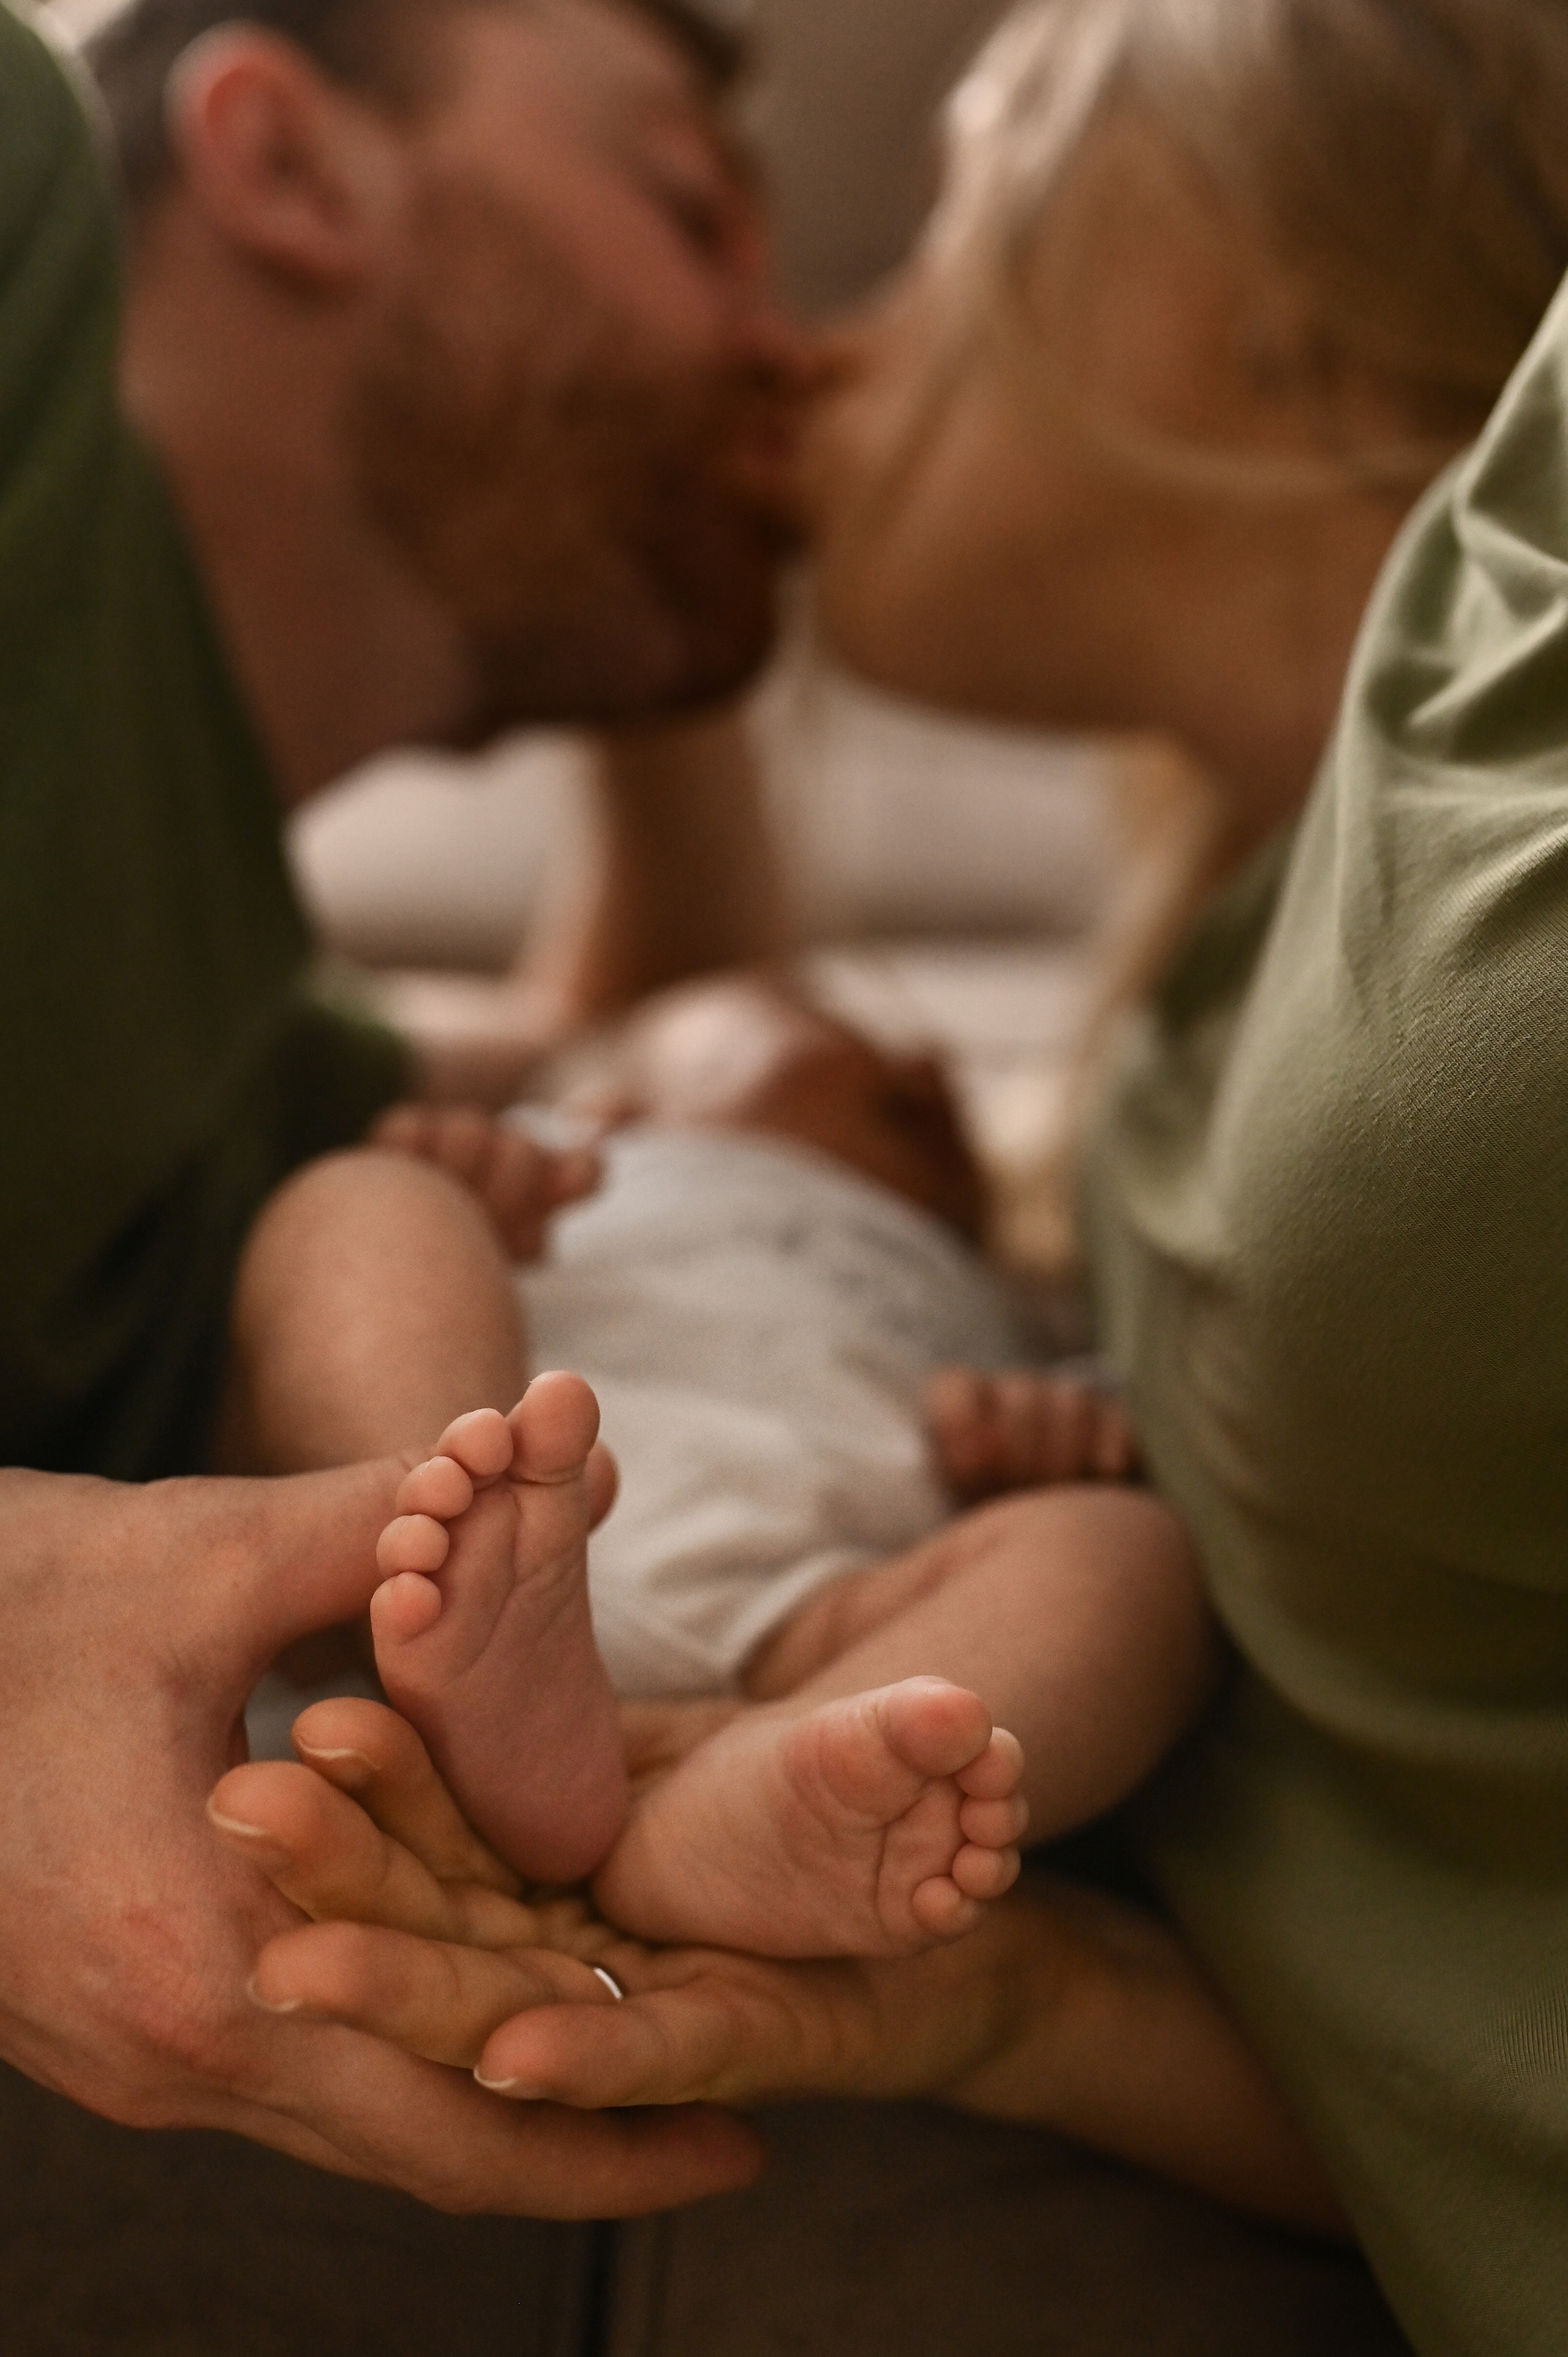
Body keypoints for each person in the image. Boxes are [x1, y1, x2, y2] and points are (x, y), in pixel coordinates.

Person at [223, 2, 1568, 2349]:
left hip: (764, 1623)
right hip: (637, 1596)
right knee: (369, 1218)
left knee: (1107, 1558)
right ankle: (472, 1596)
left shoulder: (1485, 776)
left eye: (945, 220)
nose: (803, 346)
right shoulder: (1185, 1042)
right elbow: (729, 1098)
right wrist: (1021, 2006)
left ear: (1282, 296)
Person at [0, 0, 826, 2223]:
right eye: (683, 210)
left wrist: (682, 624)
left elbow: (690, 1099)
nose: (790, 352)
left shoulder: (231, 1066)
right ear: (286, 160)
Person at [222, 971, 1189, 1956]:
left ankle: (749, 1804)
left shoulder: (1008, 1306)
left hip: (805, 1626)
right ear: (614, 1108)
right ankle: (458, 1560)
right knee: (363, 1202)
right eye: (828, 1025)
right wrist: (456, 1184)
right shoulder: (579, 1170)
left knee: (1133, 1557)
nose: (931, 1070)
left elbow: (1095, 1451)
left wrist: (1045, 1451)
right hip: (475, 1502)